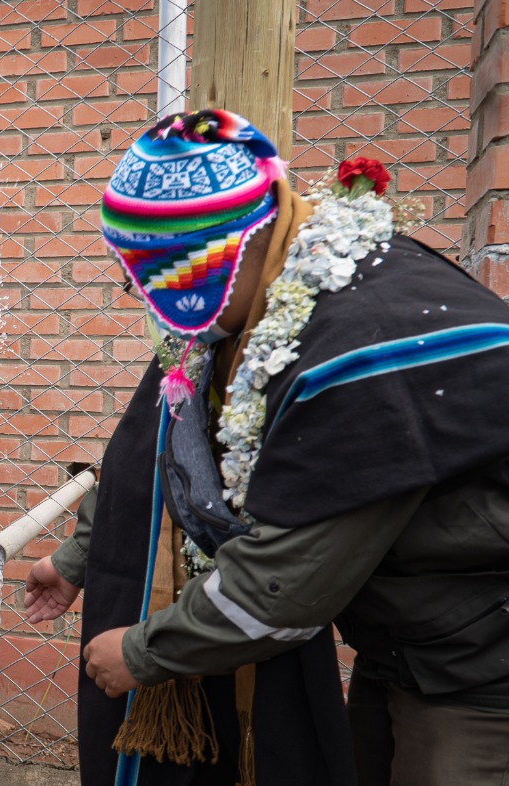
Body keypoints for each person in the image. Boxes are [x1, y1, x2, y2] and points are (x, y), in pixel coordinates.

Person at [25, 109, 509, 786]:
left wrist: (142, 652)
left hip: (483, 669)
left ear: (226, 251)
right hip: (415, 645)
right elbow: (173, 447)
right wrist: (81, 555)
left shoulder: (360, 346)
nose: (153, 304)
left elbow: (289, 582)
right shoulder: (270, 305)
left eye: (159, 280)